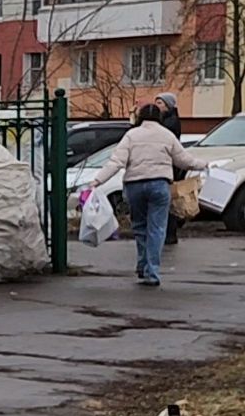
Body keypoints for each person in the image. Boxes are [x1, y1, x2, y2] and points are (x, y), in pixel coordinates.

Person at [86, 102, 206, 287]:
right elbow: (184, 161)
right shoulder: (167, 135)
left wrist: (97, 181)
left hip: (135, 186)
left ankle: (142, 264)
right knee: (157, 229)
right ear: (160, 117)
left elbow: (116, 162)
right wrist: (203, 164)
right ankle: (152, 272)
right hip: (159, 185)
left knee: (140, 227)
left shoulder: (131, 135)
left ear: (141, 117)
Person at [156, 91, 184, 245]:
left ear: (168, 105)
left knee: (167, 202)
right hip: (167, 165)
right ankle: (168, 233)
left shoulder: (170, 122)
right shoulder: (166, 120)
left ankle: (170, 234)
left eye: (160, 103)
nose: (157, 106)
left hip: (169, 166)